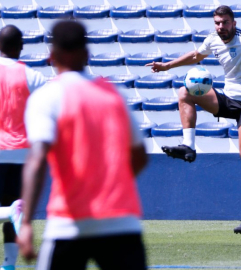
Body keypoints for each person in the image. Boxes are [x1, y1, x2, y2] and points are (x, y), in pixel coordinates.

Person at [146, 5, 241, 234]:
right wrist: (167, 66)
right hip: (228, 99)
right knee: (185, 92)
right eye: (217, 23)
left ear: (234, 23)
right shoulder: (213, 39)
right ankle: (188, 146)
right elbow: (195, 56)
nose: (221, 27)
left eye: (225, 23)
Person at [17, 21, 148, 270]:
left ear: (51, 56)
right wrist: (111, 185)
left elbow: (37, 159)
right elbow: (140, 156)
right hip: (121, 221)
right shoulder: (114, 95)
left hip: (68, 222)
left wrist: (25, 224)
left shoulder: (47, 97)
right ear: (87, 54)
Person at [0, 25, 46, 270]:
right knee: (13, 207)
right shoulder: (33, 76)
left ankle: (10, 213)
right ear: (20, 47)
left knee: (9, 210)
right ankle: (8, 265)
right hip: (22, 153)